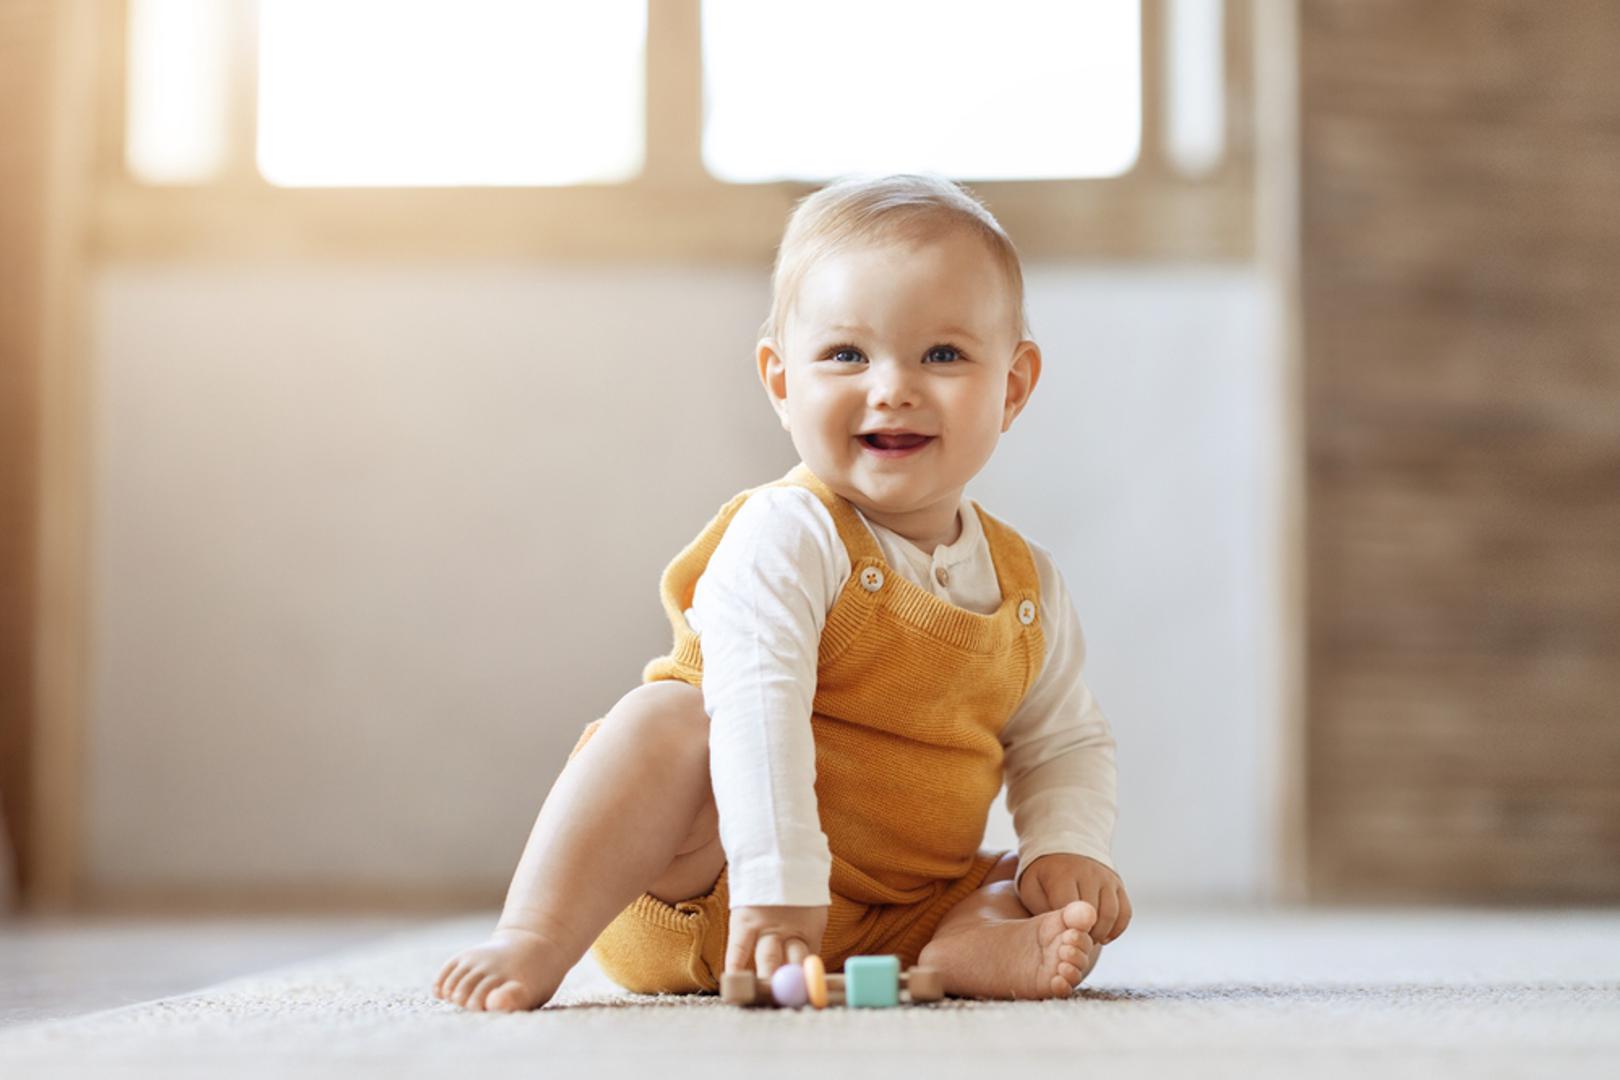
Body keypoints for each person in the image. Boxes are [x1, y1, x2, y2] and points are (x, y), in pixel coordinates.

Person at [434, 174, 1130, 1012]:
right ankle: (535, 932)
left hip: (896, 913)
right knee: (664, 721)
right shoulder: (788, 533)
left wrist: (1066, 845)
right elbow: (758, 705)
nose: (892, 387)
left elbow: (1064, 742)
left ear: (1013, 386)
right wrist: (775, 880)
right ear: (780, 381)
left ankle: (967, 950)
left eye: (942, 355)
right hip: (715, 884)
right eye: (846, 354)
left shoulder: (1028, 586)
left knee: (1029, 886)